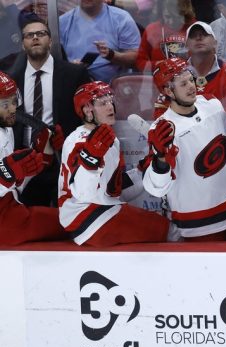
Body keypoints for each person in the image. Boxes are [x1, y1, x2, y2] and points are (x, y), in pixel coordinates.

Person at [143, 57, 226, 241]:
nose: (191, 86)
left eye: (191, 80)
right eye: (183, 84)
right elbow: (156, 189)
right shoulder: (161, 130)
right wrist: (161, 160)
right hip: (200, 223)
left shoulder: (211, 103)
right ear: (168, 90)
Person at [59, 82, 170, 246]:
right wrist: (91, 159)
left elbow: (113, 190)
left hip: (100, 211)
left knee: (163, 225)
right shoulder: (79, 141)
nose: (110, 106)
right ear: (88, 111)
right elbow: (83, 193)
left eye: (110, 101)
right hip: (87, 216)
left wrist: (145, 169)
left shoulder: (107, 138)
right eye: (102, 103)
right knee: (168, 230)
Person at [8, 17, 91, 208]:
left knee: (66, 219)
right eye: (29, 35)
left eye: (41, 34)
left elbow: (86, 117)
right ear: (22, 44)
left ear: (51, 41)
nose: (35, 38)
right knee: (30, 219)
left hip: (62, 159)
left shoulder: (74, 74)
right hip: (25, 160)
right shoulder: (12, 79)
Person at [0, 71, 65, 245]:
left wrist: (41, 155)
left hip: (12, 211)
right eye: (5, 104)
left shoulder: (5, 130)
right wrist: (5, 175)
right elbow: (5, 178)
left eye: (14, 101)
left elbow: (12, 184)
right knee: (73, 222)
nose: (12, 108)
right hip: (6, 222)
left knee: (71, 219)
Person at [59, 0, 141, 83]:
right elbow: (55, 61)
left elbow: (136, 58)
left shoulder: (122, 19)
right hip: (76, 84)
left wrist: (112, 55)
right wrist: (71, 67)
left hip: (113, 86)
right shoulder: (62, 22)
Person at [135, 0, 196, 72]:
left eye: (176, 17)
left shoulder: (196, 28)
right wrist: (158, 65)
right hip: (160, 77)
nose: (171, 21)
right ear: (161, 13)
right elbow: (140, 62)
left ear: (185, 14)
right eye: (167, 16)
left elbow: (206, 60)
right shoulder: (152, 30)